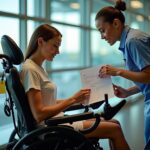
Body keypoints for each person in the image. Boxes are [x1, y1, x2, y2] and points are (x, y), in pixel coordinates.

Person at [20, 23, 130, 150]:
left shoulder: (36, 68)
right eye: (55, 46)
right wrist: (73, 99)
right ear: (40, 41)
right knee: (115, 129)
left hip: (56, 122)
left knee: (115, 123)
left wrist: (79, 100)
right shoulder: (31, 70)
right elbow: (39, 114)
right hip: (51, 128)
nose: (58, 51)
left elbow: (47, 103)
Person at [95, 0, 150, 149]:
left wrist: (118, 72)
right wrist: (128, 92)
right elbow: (145, 77)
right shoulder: (129, 40)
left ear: (116, 23)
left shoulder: (133, 41)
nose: (102, 36)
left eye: (102, 30)